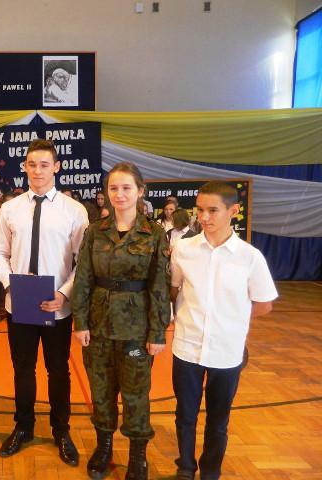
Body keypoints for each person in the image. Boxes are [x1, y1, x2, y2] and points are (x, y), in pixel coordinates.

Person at [170, 181, 278, 480]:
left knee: (218, 422)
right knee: (185, 416)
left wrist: (231, 320)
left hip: (226, 352)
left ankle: (210, 473)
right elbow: (174, 288)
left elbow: (264, 304)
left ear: (234, 210)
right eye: (200, 210)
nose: (204, 217)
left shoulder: (250, 257)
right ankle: (185, 469)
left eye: (213, 210)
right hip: (187, 347)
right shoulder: (183, 249)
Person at [71, 162, 171, 479]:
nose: (119, 194)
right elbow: (83, 279)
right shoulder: (95, 231)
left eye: (126, 187)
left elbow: (160, 285)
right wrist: (80, 322)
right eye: (113, 188)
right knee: (101, 391)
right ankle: (104, 447)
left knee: (135, 393)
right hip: (98, 327)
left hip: (136, 331)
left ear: (140, 191)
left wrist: (157, 332)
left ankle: (137, 456)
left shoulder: (154, 234)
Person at [0, 139, 88, 466]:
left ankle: (61, 430)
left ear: (56, 167)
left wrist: (64, 293)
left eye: (44, 164)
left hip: (56, 305)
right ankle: (24, 426)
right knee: (23, 369)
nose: (37, 170)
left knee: (58, 370)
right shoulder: (10, 209)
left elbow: (83, 262)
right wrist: (10, 284)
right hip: (19, 303)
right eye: (31, 164)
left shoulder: (74, 211)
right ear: (25, 167)